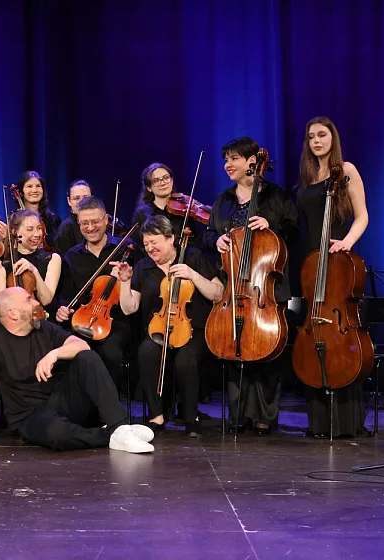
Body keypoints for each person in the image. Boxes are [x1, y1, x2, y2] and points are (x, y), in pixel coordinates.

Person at [0, 287, 154, 453]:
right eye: (29, 300)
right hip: (30, 417)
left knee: (86, 357)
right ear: (12, 313)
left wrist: (55, 354)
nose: (37, 302)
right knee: (58, 434)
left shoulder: (44, 328)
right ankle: (111, 435)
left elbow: (81, 345)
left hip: (61, 402)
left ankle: (119, 427)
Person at [204, 137, 299, 435]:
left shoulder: (275, 195)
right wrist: (215, 239)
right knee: (232, 349)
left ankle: (265, 417)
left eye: (234, 158)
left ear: (252, 162)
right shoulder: (224, 200)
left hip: (265, 287)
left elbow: (293, 230)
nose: (228, 165)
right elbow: (207, 235)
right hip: (233, 287)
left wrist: (272, 227)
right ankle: (238, 416)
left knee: (268, 355)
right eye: (226, 159)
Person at [113, 216, 223, 437]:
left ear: (171, 238)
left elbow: (217, 293)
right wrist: (124, 282)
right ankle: (157, 416)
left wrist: (192, 275)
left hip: (193, 330)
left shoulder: (193, 256)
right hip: (159, 329)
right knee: (146, 352)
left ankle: (191, 418)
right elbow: (129, 308)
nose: (150, 248)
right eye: (146, 244)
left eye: (154, 242)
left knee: (186, 360)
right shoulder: (143, 267)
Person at [295, 117, 369, 438]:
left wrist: (346, 243)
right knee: (313, 337)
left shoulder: (346, 169)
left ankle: (347, 420)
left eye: (322, 135)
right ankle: (318, 420)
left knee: (342, 335)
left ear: (332, 138)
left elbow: (362, 215)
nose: (316, 141)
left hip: (339, 261)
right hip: (312, 264)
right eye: (311, 137)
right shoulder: (310, 176)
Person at [55, 196, 135, 385]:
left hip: (116, 322)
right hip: (82, 320)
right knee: (73, 350)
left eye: (95, 221)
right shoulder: (72, 256)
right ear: (78, 223)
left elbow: (136, 292)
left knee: (110, 353)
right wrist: (62, 309)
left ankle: (108, 406)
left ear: (106, 219)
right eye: (85, 223)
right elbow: (66, 296)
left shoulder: (125, 248)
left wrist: (125, 280)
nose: (90, 228)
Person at [0, 209, 62, 316]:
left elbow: (46, 300)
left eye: (39, 228)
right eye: (30, 229)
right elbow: (0, 308)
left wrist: (34, 271)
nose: (37, 234)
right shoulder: (3, 265)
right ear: (14, 232)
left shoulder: (52, 258)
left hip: (45, 321)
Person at [132, 162, 205, 251]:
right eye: (156, 181)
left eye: (166, 178)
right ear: (149, 188)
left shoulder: (186, 207)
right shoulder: (143, 213)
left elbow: (198, 239)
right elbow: (139, 244)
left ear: (172, 180)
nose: (162, 183)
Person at [16, 171, 62, 250]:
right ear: (21, 191)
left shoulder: (53, 220)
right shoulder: (15, 220)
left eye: (38, 186)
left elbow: (59, 247)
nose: (35, 190)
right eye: (29, 186)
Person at [55, 180, 92, 253]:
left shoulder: (100, 223)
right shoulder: (65, 228)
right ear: (69, 201)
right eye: (76, 198)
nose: (82, 202)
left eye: (86, 197)